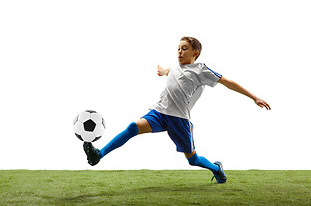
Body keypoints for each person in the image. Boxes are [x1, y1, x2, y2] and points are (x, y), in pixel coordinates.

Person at [83, 36, 271, 183]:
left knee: (192, 159)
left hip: (179, 119)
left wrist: (254, 97)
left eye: (184, 49)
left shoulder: (201, 70)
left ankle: (216, 169)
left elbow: (227, 82)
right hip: (159, 112)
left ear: (195, 53)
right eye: (178, 49)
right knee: (133, 127)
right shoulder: (175, 67)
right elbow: (169, 72)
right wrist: (162, 71)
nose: (180, 52)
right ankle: (98, 155)